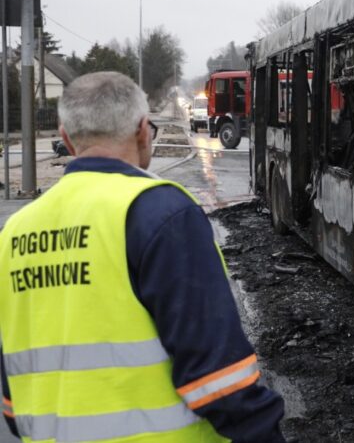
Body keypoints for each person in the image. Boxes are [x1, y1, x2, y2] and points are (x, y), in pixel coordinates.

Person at [0, 72, 285, 442]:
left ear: (66, 139)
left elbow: (12, 405)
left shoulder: (14, 234)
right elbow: (221, 383)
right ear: (142, 131)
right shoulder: (161, 213)